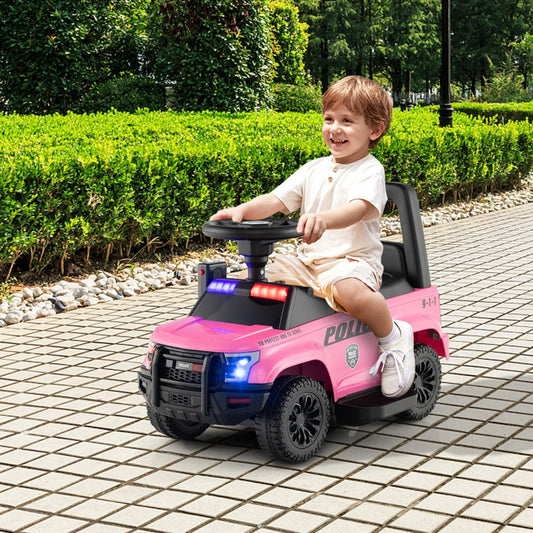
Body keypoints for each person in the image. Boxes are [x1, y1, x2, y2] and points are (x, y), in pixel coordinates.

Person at [210, 75, 414, 398]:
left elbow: (359, 209)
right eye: (329, 119)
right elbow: (277, 200)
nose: (334, 129)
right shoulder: (313, 169)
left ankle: (392, 336)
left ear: (374, 130)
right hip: (309, 262)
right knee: (263, 284)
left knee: (351, 292)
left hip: (352, 261)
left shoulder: (369, 170)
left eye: (347, 121)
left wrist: (324, 220)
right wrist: (242, 210)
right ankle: (270, 351)